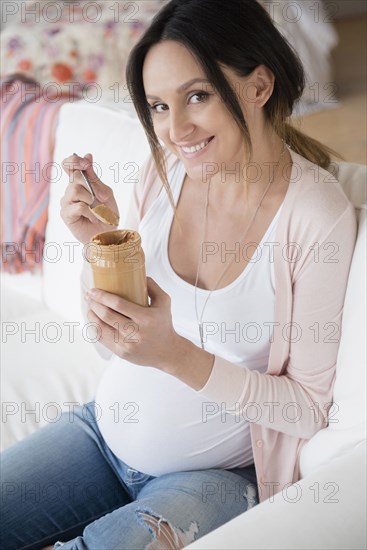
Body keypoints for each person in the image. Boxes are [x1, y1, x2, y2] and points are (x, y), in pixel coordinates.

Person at [1, 0, 357, 549]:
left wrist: (175, 355)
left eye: (197, 96)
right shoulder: (164, 171)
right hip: (102, 434)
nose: (176, 129)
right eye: (159, 106)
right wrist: (100, 247)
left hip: (213, 480)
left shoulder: (314, 216)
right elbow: (111, 346)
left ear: (259, 86)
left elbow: (308, 409)